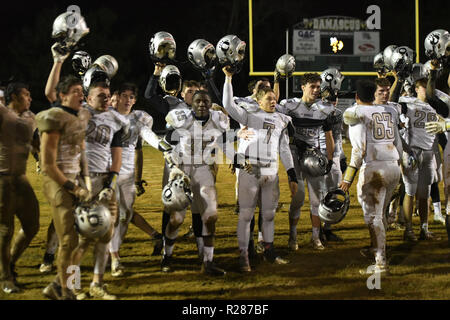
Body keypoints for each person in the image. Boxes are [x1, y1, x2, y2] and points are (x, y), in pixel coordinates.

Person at [222, 66, 297, 272]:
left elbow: (284, 148)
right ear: (259, 101)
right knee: (246, 214)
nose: (273, 101)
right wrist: (228, 78)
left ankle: (269, 251)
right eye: (269, 99)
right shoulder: (249, 115)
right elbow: (227, 104)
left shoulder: (283, 119)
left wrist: (291, 173)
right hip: (250, 169)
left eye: (275, 98)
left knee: (269, 214)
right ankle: (244, 255)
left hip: (271, 171)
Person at [159, 90, 230, 275]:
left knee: (211, 215)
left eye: (205, 101)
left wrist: (238, 158)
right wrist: (172, 166)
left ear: (210, 103)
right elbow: (164, 144)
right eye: (198, 101)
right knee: (176, 219)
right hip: (183, 168)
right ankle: (167, 255)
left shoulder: (218, 119)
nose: (201, 104)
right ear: (192, 103)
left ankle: (208, 261)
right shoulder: (182, 118)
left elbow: (224, 144)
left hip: (203, 168)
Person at [70, 81, 129, 300]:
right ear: (87, 97)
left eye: (107, 96)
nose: (106, 99)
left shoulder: (115, 120)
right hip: (82, 182)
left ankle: (97, 283)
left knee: (106, 234)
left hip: (105, 182)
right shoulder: (78, 116)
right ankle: (72, 286)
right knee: (80, 239)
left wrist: (110, 185)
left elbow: (117, 155)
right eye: (100, 96)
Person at [37, 75, 91, 300]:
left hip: (75, 180)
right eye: (75, 91)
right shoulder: (54, 117)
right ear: (62, 96)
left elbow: (82, 152)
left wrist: (85, 181)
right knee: (68, 239)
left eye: (81, 91)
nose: (81, 95)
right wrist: (74, 187)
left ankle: (63, 286)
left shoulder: (80, 116)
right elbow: (48, 165)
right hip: (57, 181)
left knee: (82, 237)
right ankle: (66, 292)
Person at [340, 79, 402, 274]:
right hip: (393, 165)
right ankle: (377, 249)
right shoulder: (389, 111)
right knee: (380, 214)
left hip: (375, 169)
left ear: (357, 97)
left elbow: (358, 151)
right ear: (373, 93)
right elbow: (398, 142)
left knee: (373, 217)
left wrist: (347, 178)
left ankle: (380, 262)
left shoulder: (357, 114)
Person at [144, 64, 205, 258]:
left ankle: (201, 249)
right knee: (170, 202)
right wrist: (155, 75)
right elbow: (149, 97)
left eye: (196, 91)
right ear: (182, 92)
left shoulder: (204, 109)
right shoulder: (173, 104)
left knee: (198, 206)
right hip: (175, 161)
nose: (193, 94)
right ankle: (164, 245)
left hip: (196, 162)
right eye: (189, 91)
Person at [109, 83, 162, 276]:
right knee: (111, 216)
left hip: (128, 175)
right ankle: (114, 257)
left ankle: (114, 253)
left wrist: (162, 146)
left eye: (132, 97)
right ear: (115, 97)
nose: (128, 100)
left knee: (125, 215)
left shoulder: (138, 119)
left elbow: (148, 137)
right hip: (106, 173)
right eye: (124, 95)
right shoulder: (105, 116)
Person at [277, 73, 335, 251]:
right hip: (294, 154)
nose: (316, 90)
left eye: (318, 87)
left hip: (314, 155)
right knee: (299, 196)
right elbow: (270, 106)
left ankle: (316, 237)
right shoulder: (290, 106)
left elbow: (329, 136)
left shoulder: (324, 109)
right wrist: (276, 80)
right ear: (303, 87)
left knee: (317, 199)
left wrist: (330, 160)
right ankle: (292, 236)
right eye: (313, 86)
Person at [0, 83, 40, 293]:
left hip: (21, 179)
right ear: (13, 97)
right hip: (2, 179)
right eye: (26, 95)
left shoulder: (30, 117)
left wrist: (41, 157)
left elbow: (34, 141)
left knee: (32, 225)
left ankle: (10, 263)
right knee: (5, 230)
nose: (30, 98)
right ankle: (6, 277)